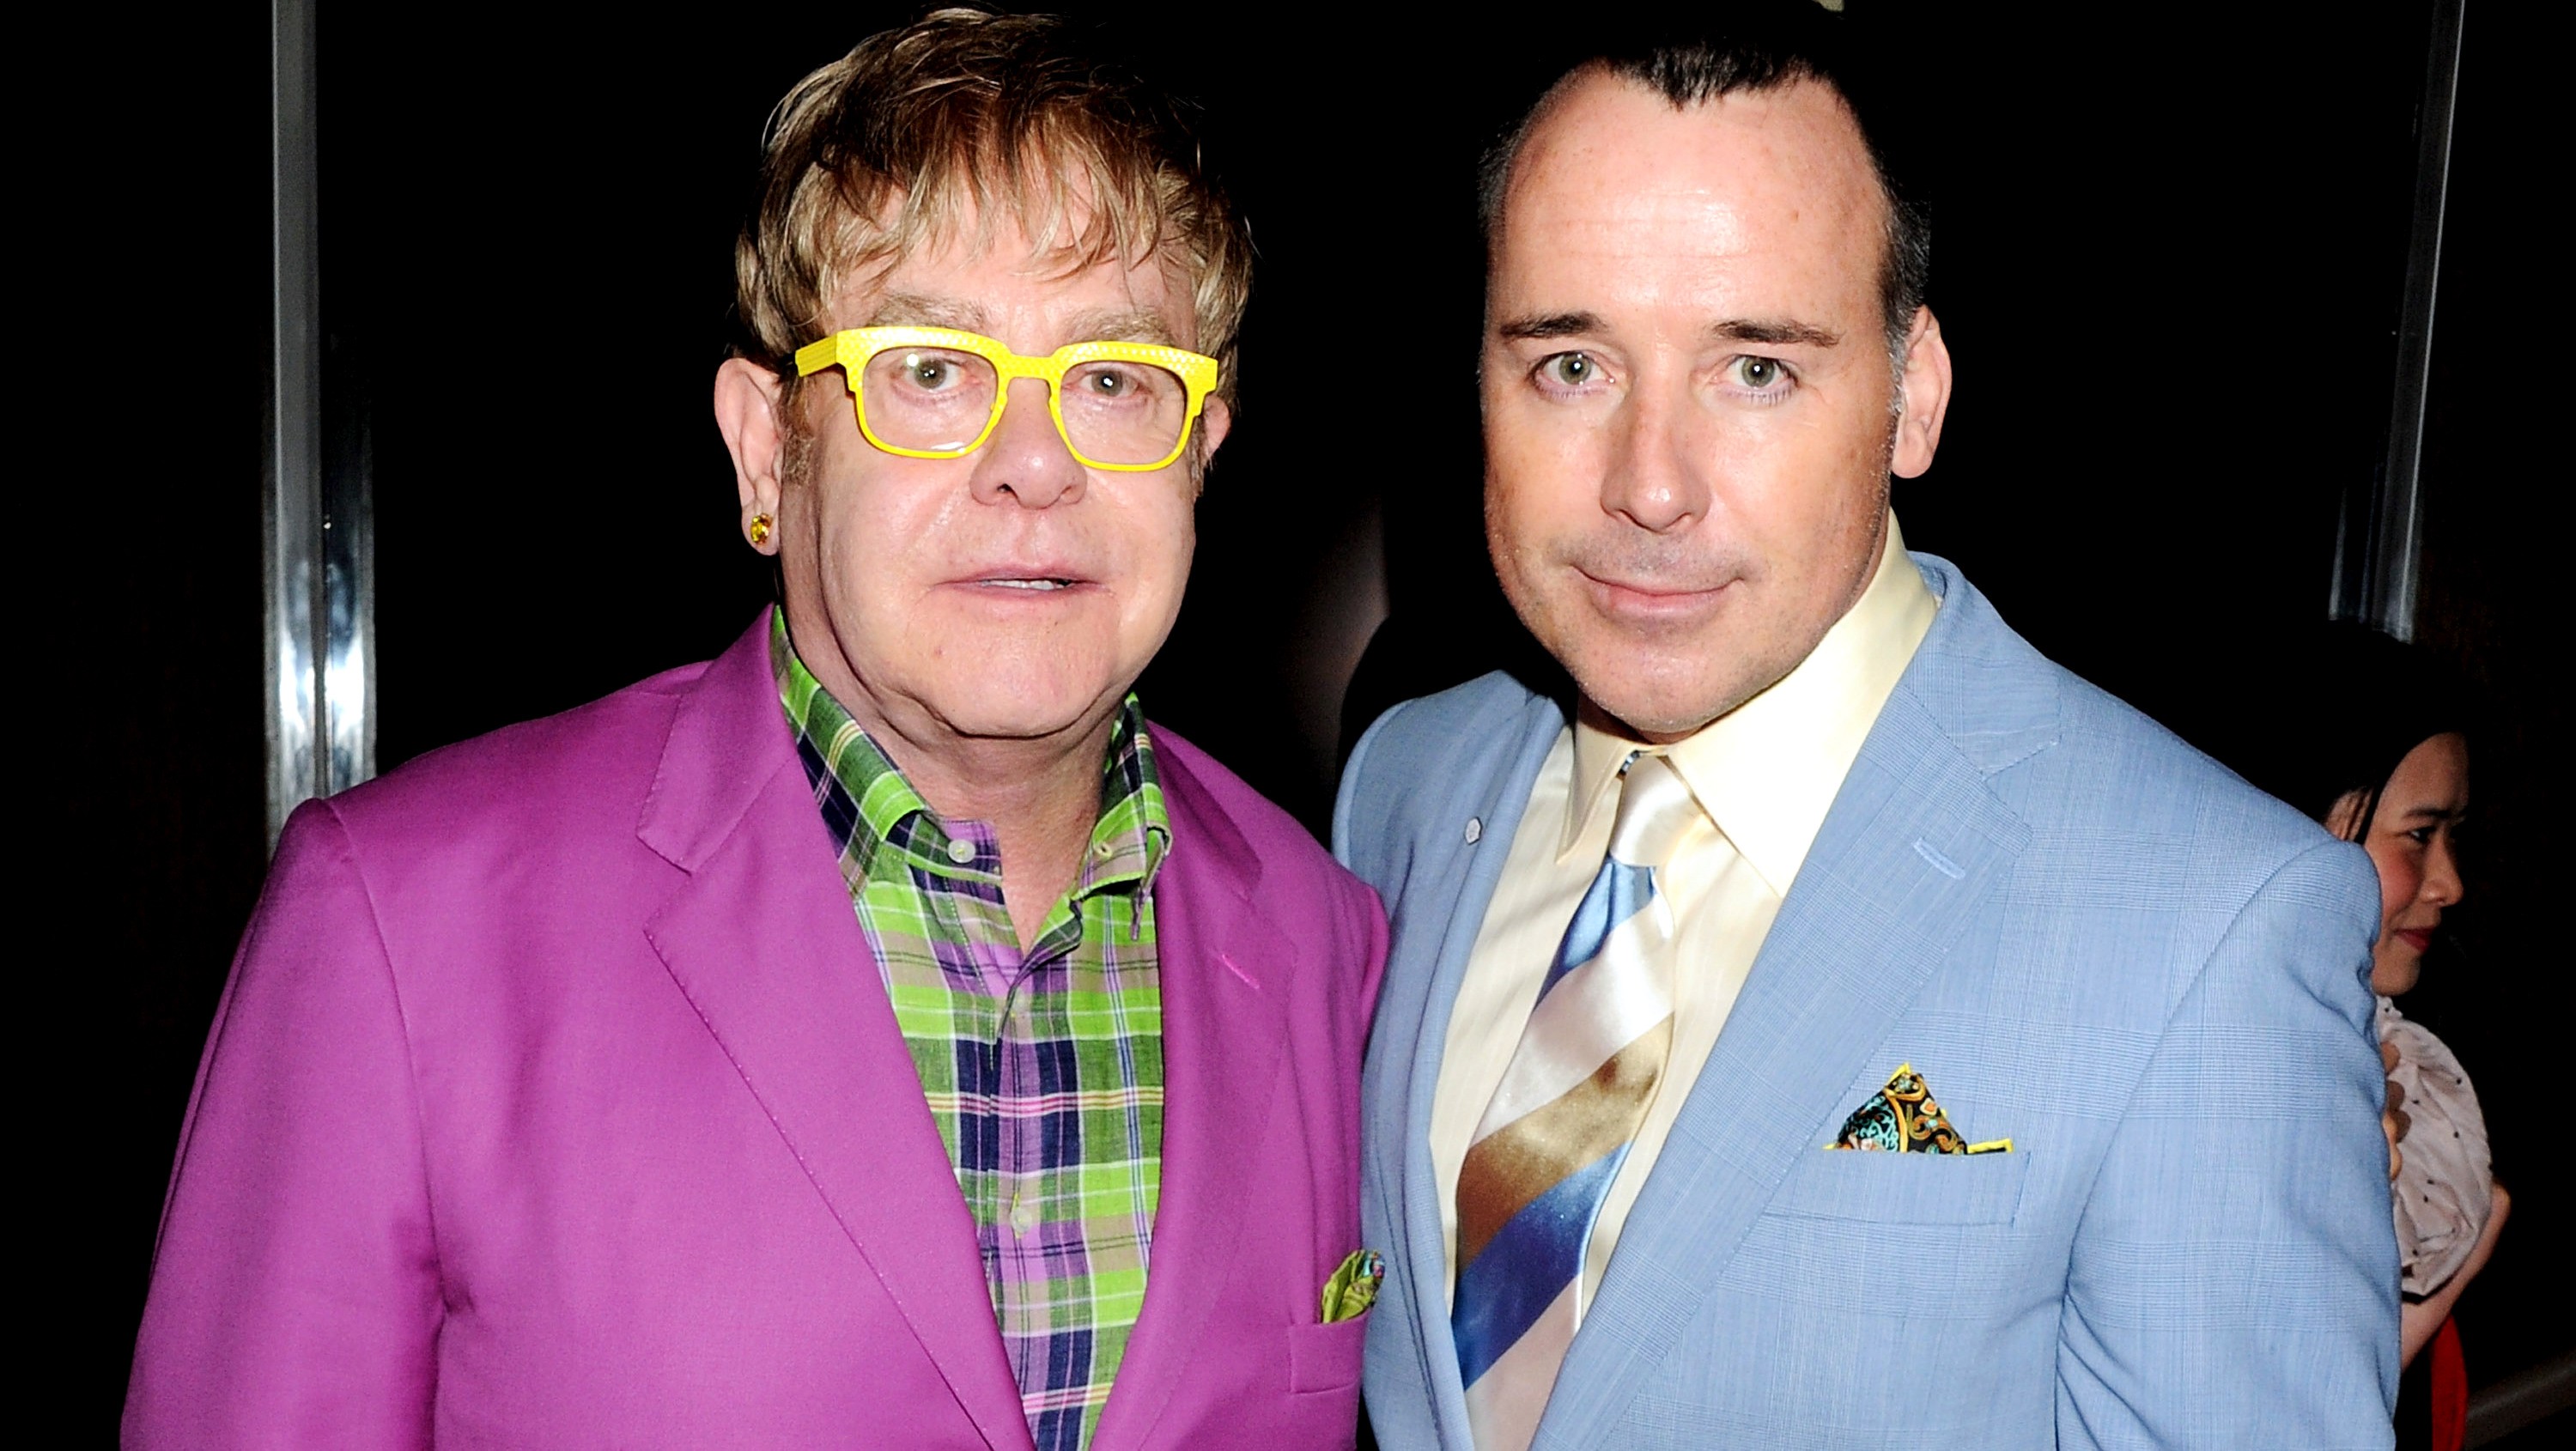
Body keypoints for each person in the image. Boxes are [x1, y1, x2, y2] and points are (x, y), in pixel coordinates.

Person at [125, 12, 1386, 1448]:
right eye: (929, 368)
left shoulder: (1323, 936)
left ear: (1201, 452)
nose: (1034, 463)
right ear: (766, 448)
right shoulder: (402, 925)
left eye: (1112, 379)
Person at [1333, 9, 2396, 1448]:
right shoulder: (1406, 785)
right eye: (1572, 363)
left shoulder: (2215, 922)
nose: (1651, 484)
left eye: (1755, 369)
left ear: (1914, 397)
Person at [2218, 623, 2508, 1449]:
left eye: (2454, 836)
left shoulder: (2401, 1057)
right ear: (2301, 825)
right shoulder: (2221, 1083)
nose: (2448, 883)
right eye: (2419, 835)